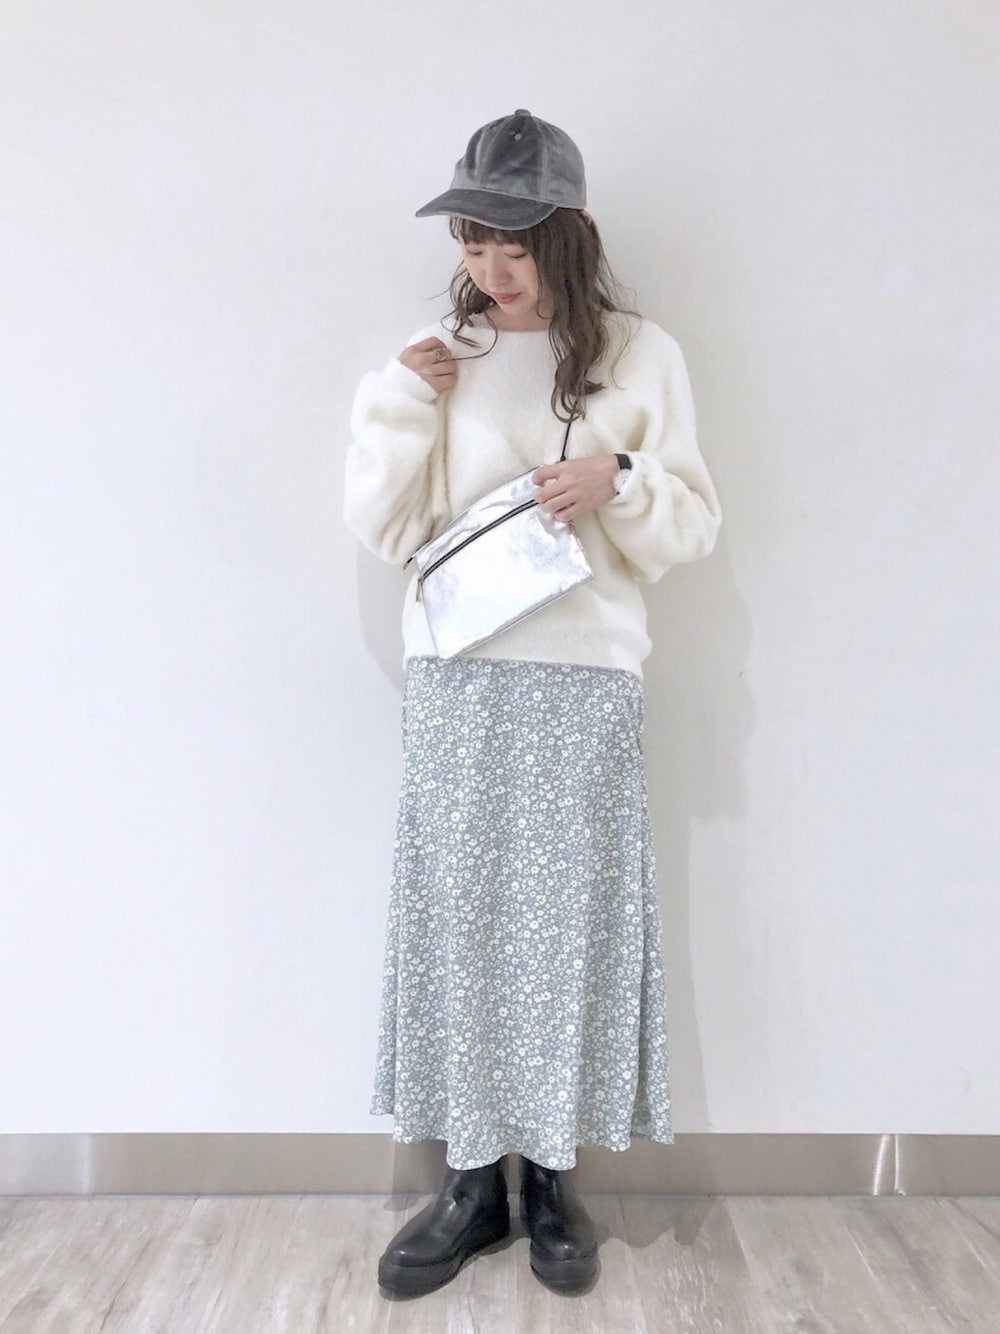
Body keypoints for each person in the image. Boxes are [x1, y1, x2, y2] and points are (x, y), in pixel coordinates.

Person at [344, 109, 721, 1299]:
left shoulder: (641, 356)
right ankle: (470, 1181)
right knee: (460, 921)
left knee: (568, 929)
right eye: (473, 240)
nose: (492, 267)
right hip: (460, 672)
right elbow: (388, 528)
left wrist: (621, 477)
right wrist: (400, 402)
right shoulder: (439, 355)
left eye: (515, 243)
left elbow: (691, 525)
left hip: (585, 675)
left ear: (572, 232)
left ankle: (551, 1175)